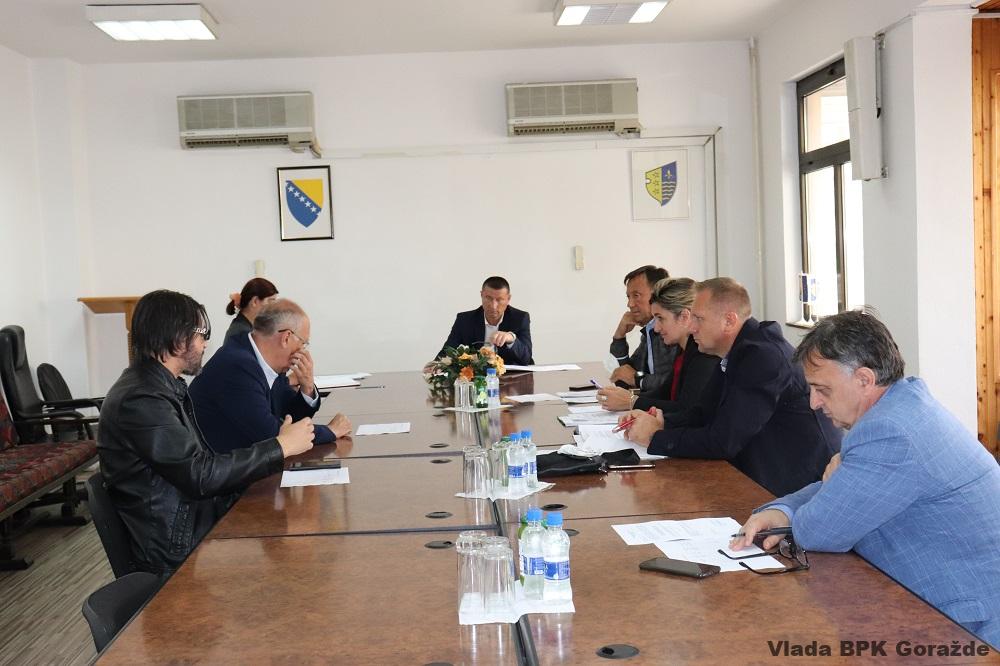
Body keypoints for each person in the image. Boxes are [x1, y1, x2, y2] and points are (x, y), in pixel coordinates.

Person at [731, 311, 1000, 648]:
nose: (813, 403)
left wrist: (830, 487)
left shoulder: (890, 432)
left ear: (864, 379)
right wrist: (783, 511)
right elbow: (849, 486)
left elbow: (818, 532)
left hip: (965, 623)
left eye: (822, 389)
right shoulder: (902, 405)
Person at [97, 290, 315, 575]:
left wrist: (278, 447)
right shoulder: (142, 399)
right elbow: (200, 476)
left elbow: (199, 467)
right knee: (289, 559)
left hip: (191, 521)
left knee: (290, 536)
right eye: (202, 334)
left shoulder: (161, 387)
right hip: (176, 546)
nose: (205, 344)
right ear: (177, 338)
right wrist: (280, 446)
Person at [619, 277, 841, 496]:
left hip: (799, 487)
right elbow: (703, 413)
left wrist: (654, 437)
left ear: (729, 321)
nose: (691, 327)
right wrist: (662, 422)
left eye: (698, 319)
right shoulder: (737, 351)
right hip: (761, 473)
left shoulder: (762, 356)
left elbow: (724, 441)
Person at [190, 298, 351, 454]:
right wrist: (331, 431)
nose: (303, 351)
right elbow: (274, 436)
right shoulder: (237, 365)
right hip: (217, 468)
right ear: (286, 337)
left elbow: (291, 418)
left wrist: (307, 387)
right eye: (303, 343)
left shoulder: (263, 362)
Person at [598, 277, 718, 422]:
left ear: (684, 317)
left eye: (660, 318)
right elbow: (663, 393)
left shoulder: (704, 355)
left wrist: (632, 401)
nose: (656, 328)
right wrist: (625, 398)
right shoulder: (683, 350)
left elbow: (686, 411)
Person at [608, 265, 676, 396]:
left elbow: (673, 384)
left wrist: (637, 378)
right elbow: (624, 375)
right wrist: (619, 336)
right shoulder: (649, 330)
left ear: (658, 294)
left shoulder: (671, 333)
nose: (630, 304)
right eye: (628, 297)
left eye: (636, 295)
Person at [435, 276, 533, 365]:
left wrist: (511, 339)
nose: (493, 306)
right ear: (481, 295)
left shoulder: (520, 318)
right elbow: (448, 351)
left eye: (499, 300)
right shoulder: (465, 320)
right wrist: (435, 365)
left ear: (508, 299)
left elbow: (526, 359)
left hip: (510, 377)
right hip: (475, 377)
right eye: (488, 298)